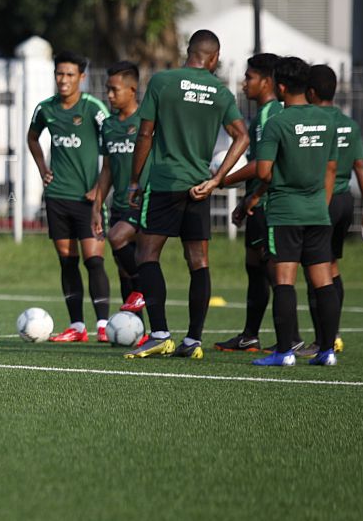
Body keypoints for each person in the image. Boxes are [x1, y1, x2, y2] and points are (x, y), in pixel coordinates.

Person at [124, 30, 248, 360]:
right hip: (198, 187)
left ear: (188, 52)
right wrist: (217, 179)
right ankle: (193, 340)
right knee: (199, 262)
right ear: (214, 57)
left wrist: (135, 181)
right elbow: (242, 137)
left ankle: (161, 334)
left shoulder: (163, 82)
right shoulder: (221, 93)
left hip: (164, 183)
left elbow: (146, 133)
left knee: (147, 255)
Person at [250, 57, 341, 367]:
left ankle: (284, 352)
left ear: (282, 86)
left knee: (284, 281)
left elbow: (263, 172)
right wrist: (321, 203)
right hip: (318, 210)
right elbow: (331, 168)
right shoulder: (327, 121)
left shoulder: (277, 123)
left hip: (285, 212)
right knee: (323, 281)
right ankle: (327, 351)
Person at [27, 51, 112, 343]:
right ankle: (77, 326)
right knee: (67, 261)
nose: (63, 80)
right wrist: (42, 168)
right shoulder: (45, 109)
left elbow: (113, 149)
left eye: (70, 75)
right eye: (59, 74)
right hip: (58, 196)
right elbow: (32, 137)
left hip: (88, 200)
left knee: (94, 261)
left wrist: (99, 190)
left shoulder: (94, 108)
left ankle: (103, 324)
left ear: (82, 78)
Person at [215, 54, 294, 353]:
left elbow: (265, 164)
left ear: (267, 81)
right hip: (256, 202)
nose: (244, 83)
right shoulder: (260, 114)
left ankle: (293, 337)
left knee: (275, 272)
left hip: (269, 204)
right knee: (254, 267)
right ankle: (250, 334)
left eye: (249, 77)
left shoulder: (271, 114)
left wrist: (224, 178)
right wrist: (247, 198)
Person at [305, 64, 363, 355]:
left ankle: (323, 341)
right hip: (345, 201)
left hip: (320, 200)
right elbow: (361, 168)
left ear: (310, 92)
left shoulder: (312, 120)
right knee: (332, 266)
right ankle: (332, 334)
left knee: (316, 270)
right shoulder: (349, 123)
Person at [91, 61, 146, 316]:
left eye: (114, 90)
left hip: (143, 206)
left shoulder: (146, 122)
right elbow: (107, 169)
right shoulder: (109, 125)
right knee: (123, 269)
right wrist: (97, 204)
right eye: (107, 90)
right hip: (119, 206)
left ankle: (153, 322)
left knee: (141, 263)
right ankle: (133, 326)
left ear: (132, 89)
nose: (109, 96)